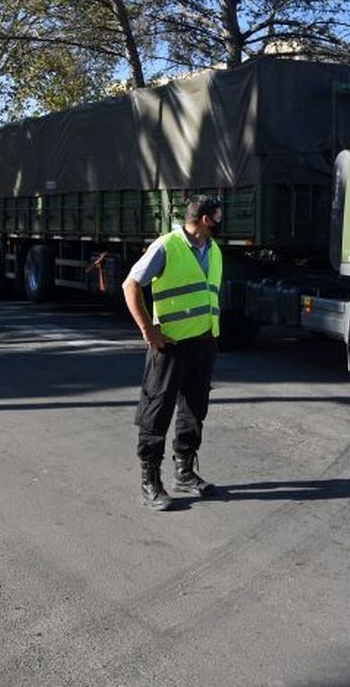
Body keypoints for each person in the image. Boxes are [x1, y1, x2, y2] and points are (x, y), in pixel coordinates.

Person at [123, 195, 225, 512]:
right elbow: (130, 285)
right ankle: (150, 482)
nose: (223, 219)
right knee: (157, 410)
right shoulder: (167, 246)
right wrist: (147, 330)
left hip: (203, 341)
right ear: (206, 219)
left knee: (194, 408)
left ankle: (184, 471)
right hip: (170, 345)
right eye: (218, 214)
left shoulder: (213, 249)